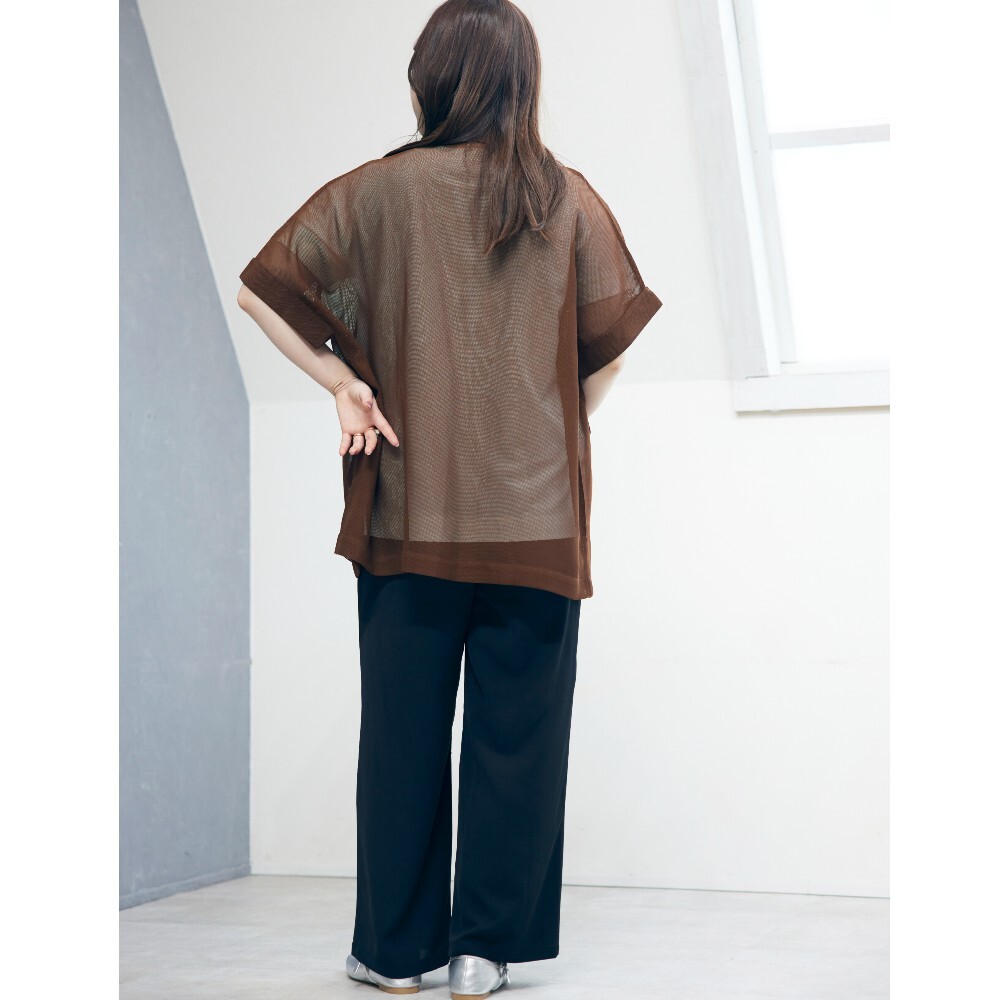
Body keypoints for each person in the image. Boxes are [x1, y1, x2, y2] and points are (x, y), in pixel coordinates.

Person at [237, 1, 662, 995]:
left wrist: (343, 383)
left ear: (429, 78)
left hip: (407, 518)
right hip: (538, 522)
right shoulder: (565, 198)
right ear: (523, 81)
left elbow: (261, 290)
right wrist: (548, 423)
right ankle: (482, 953)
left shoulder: (375, 192)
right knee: (518, 741)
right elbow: (605, 356)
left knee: (402, 739)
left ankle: (394, 957)